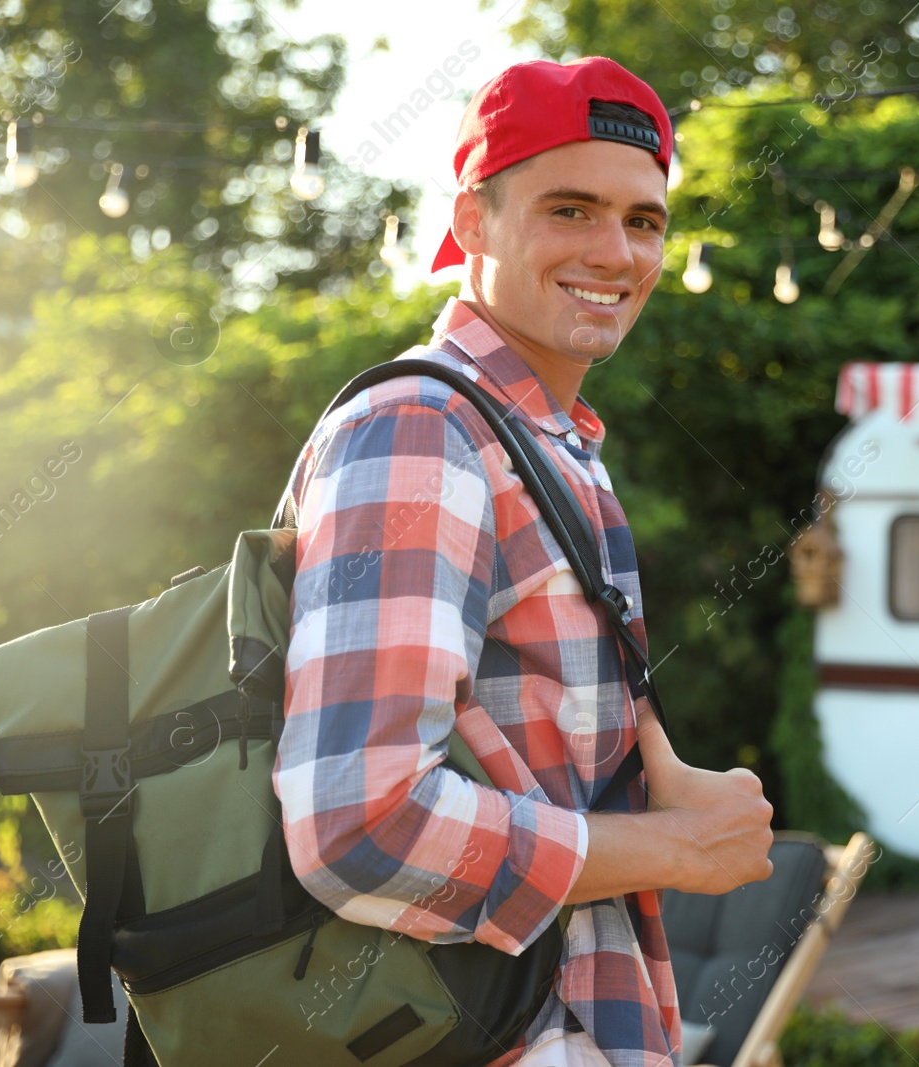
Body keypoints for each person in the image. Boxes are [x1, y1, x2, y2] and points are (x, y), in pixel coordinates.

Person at [274, 57, 775, 1067]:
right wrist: (674, 848)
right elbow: (355, 820)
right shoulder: (420, 431)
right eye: (571, 209)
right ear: (473, 218)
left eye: (644, 220)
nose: (616, 251)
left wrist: (653, 789)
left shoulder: (545, 443)